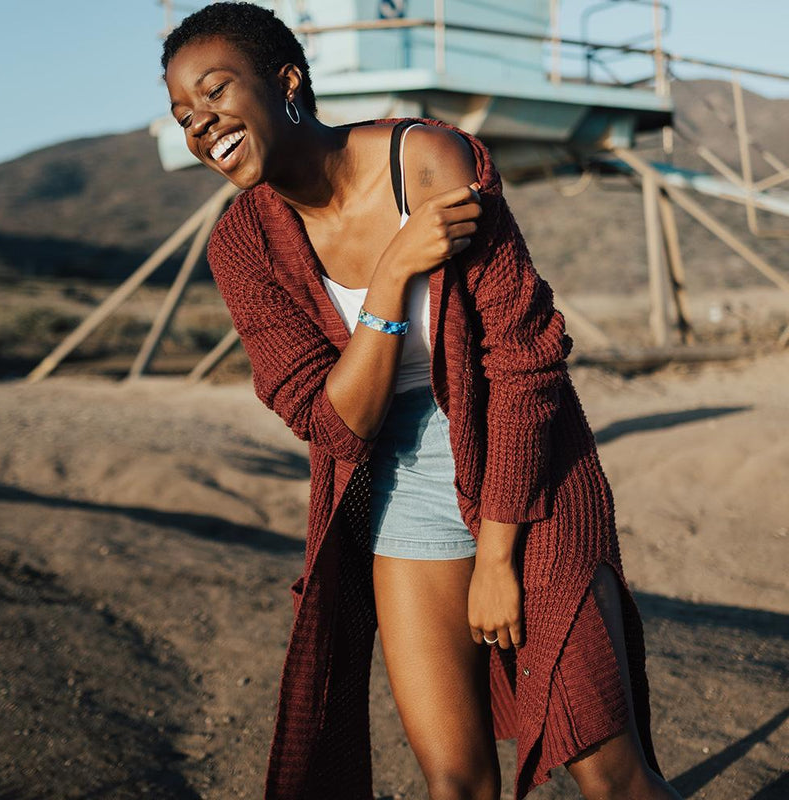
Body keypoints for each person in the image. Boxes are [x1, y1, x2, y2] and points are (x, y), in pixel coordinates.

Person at [162, 4, 682, 799]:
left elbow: (525, 356)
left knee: (608, 771)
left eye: (215, 92)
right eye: (184, 116)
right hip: (399, 488)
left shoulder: (430, 161)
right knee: (454, 779)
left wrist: (498, 556)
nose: (203, 125)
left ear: (287, 81)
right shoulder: (241, 244)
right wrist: (394, 274)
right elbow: (333, 421)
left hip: (530, 467)